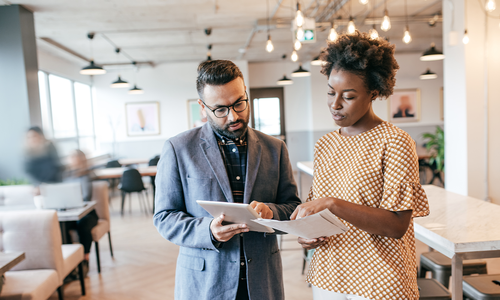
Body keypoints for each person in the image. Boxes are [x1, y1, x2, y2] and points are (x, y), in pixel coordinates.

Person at [291, 31, 430, 300]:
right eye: (331, 92)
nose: (335, 103)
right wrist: (306, 234)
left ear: (374, 93)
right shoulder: (326, 144)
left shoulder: (395, 141)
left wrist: (332, 203)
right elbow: (318, 212)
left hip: (380, 279)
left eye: (349, 96)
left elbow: (396, 226)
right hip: (329, 272)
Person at [153, 60, 301, 300]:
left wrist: (271, 213)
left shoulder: (276, 148)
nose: (234, 116)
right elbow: (164, 217)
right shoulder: (178, 148)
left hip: (262, 280)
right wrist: (208, 232)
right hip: (205, 283)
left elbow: (293, 207)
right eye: (220, 109)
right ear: (203, 107)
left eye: (239, 103)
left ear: (246, 94)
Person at [64, 149, 98, 276]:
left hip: (88, 213)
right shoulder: (66, 176)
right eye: (71, 157)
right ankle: (70, 260)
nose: (72, 160)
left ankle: (85, 260)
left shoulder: (87, 175)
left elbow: (86, 195)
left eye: (75, 157)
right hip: (70, 213)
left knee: (82, 225)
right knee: (62, 227)